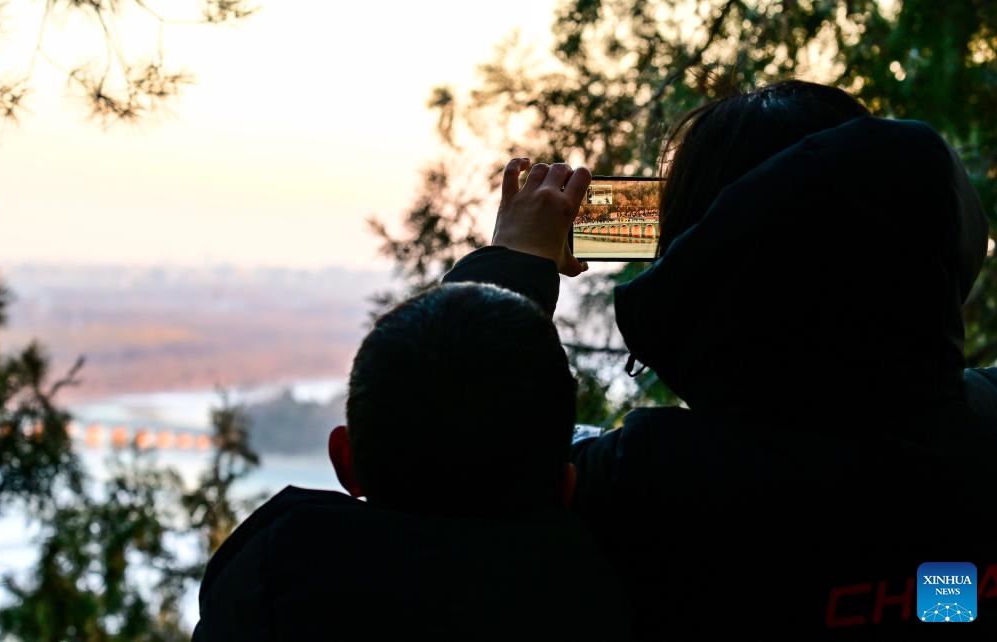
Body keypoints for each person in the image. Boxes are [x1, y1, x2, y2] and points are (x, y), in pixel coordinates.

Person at [444, 80, 997, 639]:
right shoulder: (986, 427)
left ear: (704, 252)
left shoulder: (649, 484)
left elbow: (445, 460)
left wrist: (513, 261)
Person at [191, 283, 631, 641]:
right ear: (567, 485)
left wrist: (512, 260)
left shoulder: (261, 594)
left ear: (346, 463)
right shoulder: (620, 597)